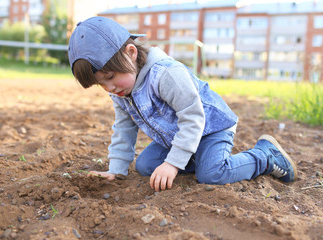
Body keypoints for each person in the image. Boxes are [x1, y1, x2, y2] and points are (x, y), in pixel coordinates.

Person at [68, 16, 297, 192]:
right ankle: (197, 156)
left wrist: (173, 164)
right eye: (101, 85)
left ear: (131, 53)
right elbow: (124, 128)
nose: (109, 88)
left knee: (212, 174)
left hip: (210, 128)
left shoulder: (166, 74)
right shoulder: (120, 90)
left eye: (109, 77)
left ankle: (265, 156)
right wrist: (115, 170)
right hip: (177, 136)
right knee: (145, 166)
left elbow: (194, 118)